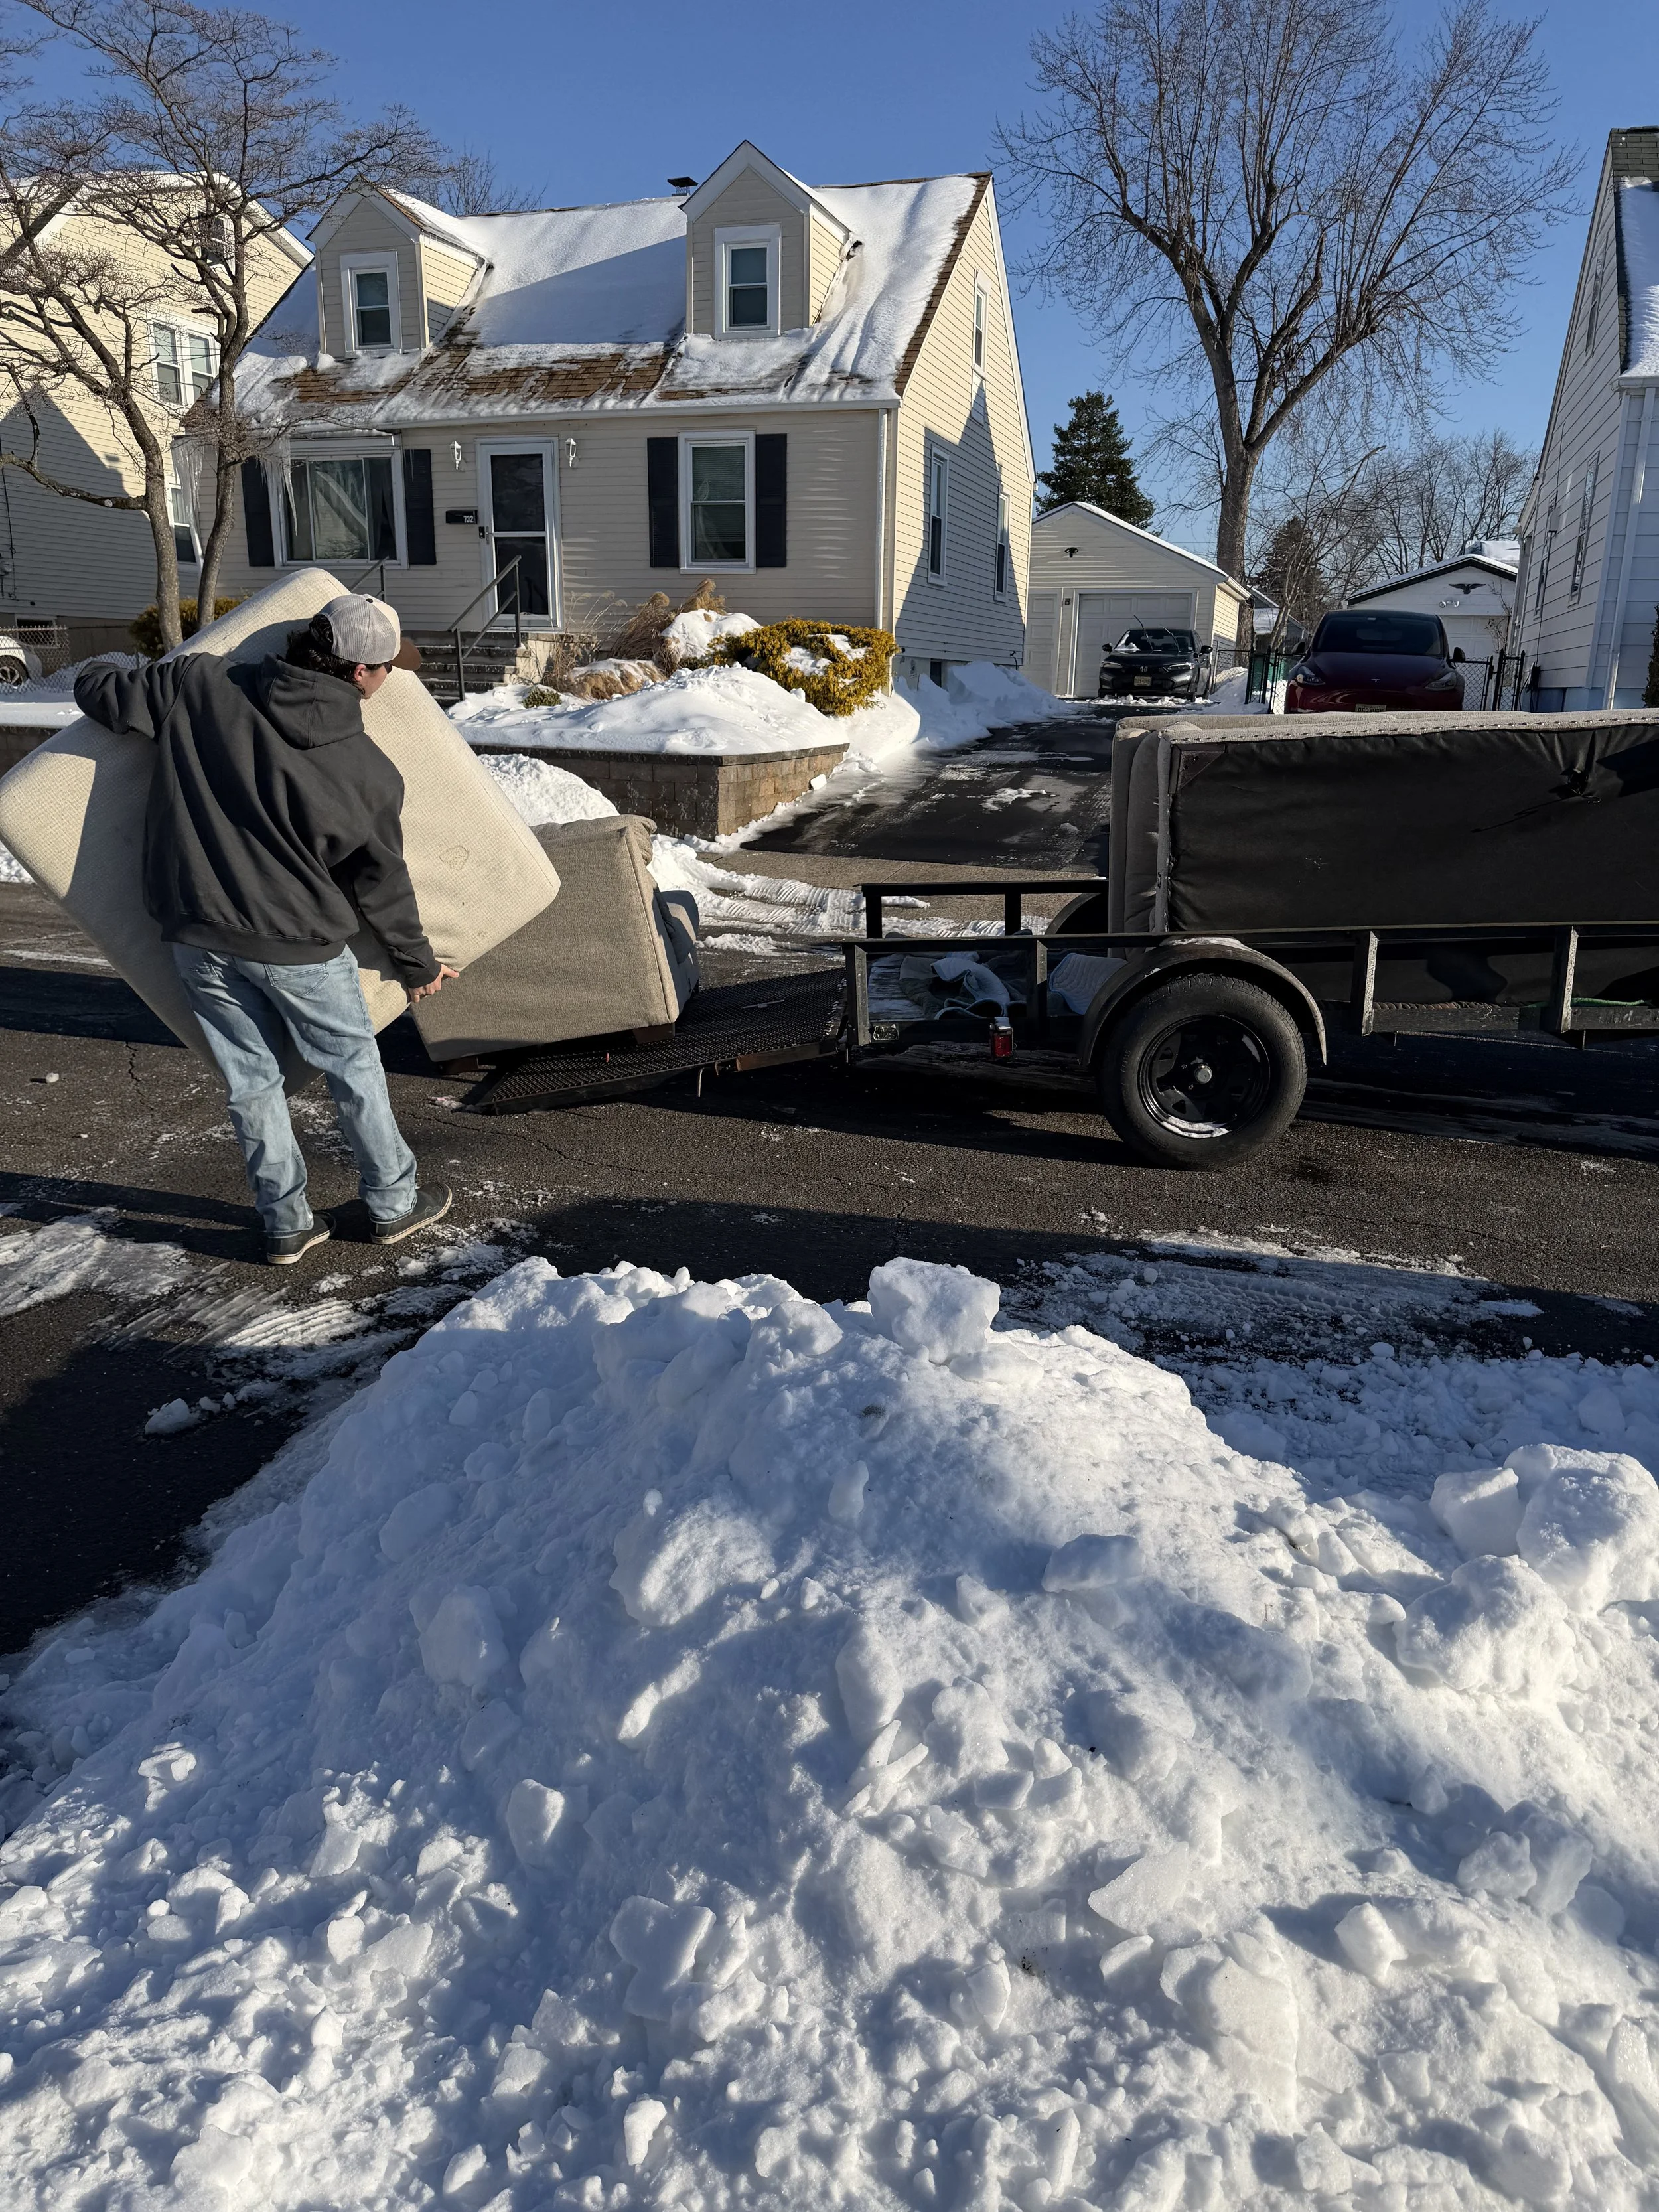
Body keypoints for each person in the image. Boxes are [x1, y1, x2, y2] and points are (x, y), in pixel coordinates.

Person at [75, 593, 457, 1265]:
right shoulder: (368, 771)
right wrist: (417, 965)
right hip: (300, 945)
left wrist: (105, 662)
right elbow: (381, 883)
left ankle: (285, 1224)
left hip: (197, 934)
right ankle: (394, 1204)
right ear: (364, 674)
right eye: (388, 668)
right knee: (352, 1067)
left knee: (252, 1084)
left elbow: (100, 693)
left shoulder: (196, 684)